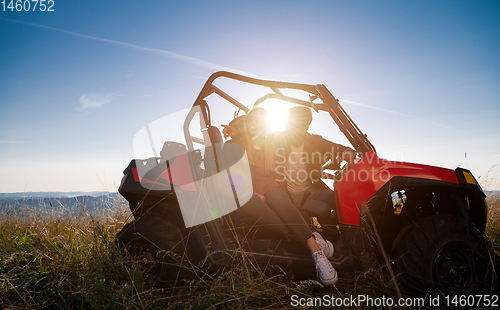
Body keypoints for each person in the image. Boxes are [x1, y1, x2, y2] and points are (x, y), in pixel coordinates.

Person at [222, 108, 338, 285]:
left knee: (276, 194)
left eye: (260, 122)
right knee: (249, 199)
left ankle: (317, 253)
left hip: (271, 186)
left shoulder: (270, 144)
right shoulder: (234, 145)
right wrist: (238, 134)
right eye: (251, 120)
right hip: (247, 191)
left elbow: (299, 137)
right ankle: (313, 240)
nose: (255, 124)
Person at [273, 106, 356, 230]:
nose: (291, 128)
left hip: (311, 189)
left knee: (343, 200)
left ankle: (350, 233)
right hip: (291, 194)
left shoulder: (314, 141)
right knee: (323, 209)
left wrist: (347, 153)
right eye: (289, 123)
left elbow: (337, 148)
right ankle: (330, 235)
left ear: (305, 127)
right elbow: (256, 140)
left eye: (297, 124)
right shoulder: (276, 140)